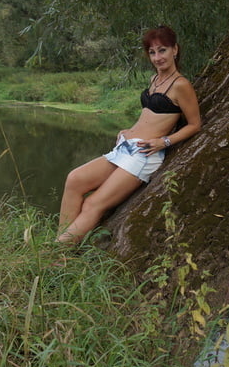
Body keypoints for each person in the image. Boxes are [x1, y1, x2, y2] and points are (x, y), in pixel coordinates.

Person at [57, 25, 201, 244]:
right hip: (127, 146)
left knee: (94, 204)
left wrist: (164, 141)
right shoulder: (155, 80)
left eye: (162, 50)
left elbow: (195, 124)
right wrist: (129, 130)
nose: (157, 57)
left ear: (175, 49)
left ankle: (54, 254)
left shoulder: (181, 85)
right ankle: (61, 243)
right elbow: (150, 114)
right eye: (152, 52)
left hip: (144, 154)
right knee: (74, 179)